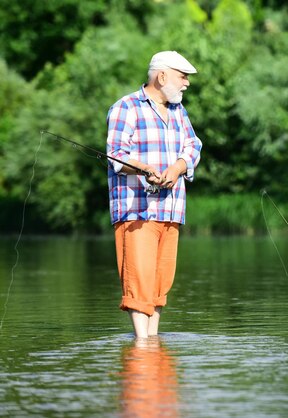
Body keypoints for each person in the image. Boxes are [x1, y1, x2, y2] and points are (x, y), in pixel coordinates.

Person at [107, 51, 202, 338]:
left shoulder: (178, 111)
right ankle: (142, 343)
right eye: (182, 77)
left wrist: (178, 167)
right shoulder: (126, 107)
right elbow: (116, 156)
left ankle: (152, 341)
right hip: (136, 211)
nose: (186, 83)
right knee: (139, 280)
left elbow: (193, 145)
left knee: (161, 281)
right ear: (162, 77)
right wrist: (144, 168)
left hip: (171, 210)